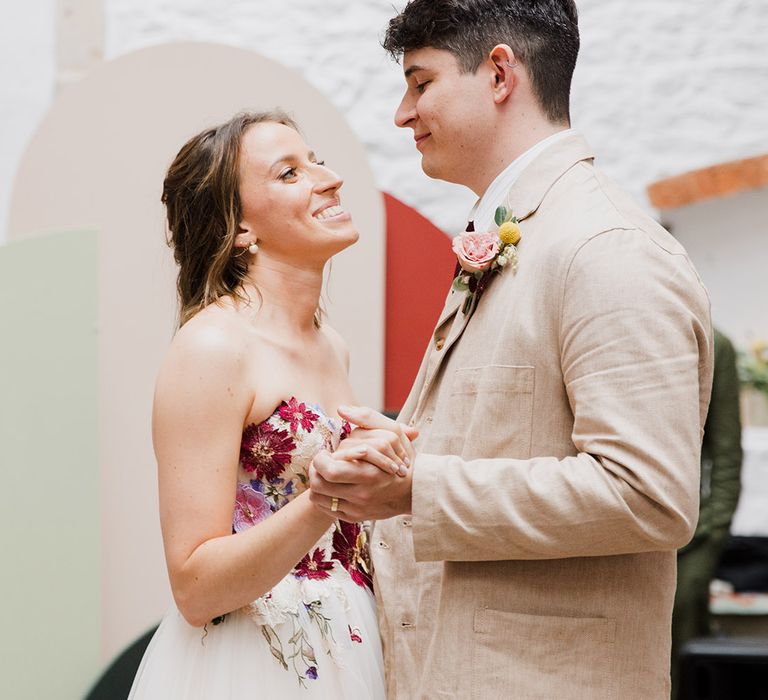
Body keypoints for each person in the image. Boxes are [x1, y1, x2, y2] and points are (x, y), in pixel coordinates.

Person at [309, 1, 714, 698]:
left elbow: (648, 493)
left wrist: (418, 488)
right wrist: (405, 448)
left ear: (499, 73)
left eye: (421, 82)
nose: (403, 113)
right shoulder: (530, 231)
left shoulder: (604, 249)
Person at [128, 110, 414, 699]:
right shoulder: (212, 346)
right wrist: (325, 498)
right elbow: (195, 588)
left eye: (316, 159)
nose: (328, 178)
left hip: (351, 641)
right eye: (289, 173)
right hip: (253, 664)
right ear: (239, 230)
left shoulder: (332, 345)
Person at [672, 327, 743, 698]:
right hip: (620, 516)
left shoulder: (718, 345)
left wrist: (714, 530)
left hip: (694, 533)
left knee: (683, 640)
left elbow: (727, 449)